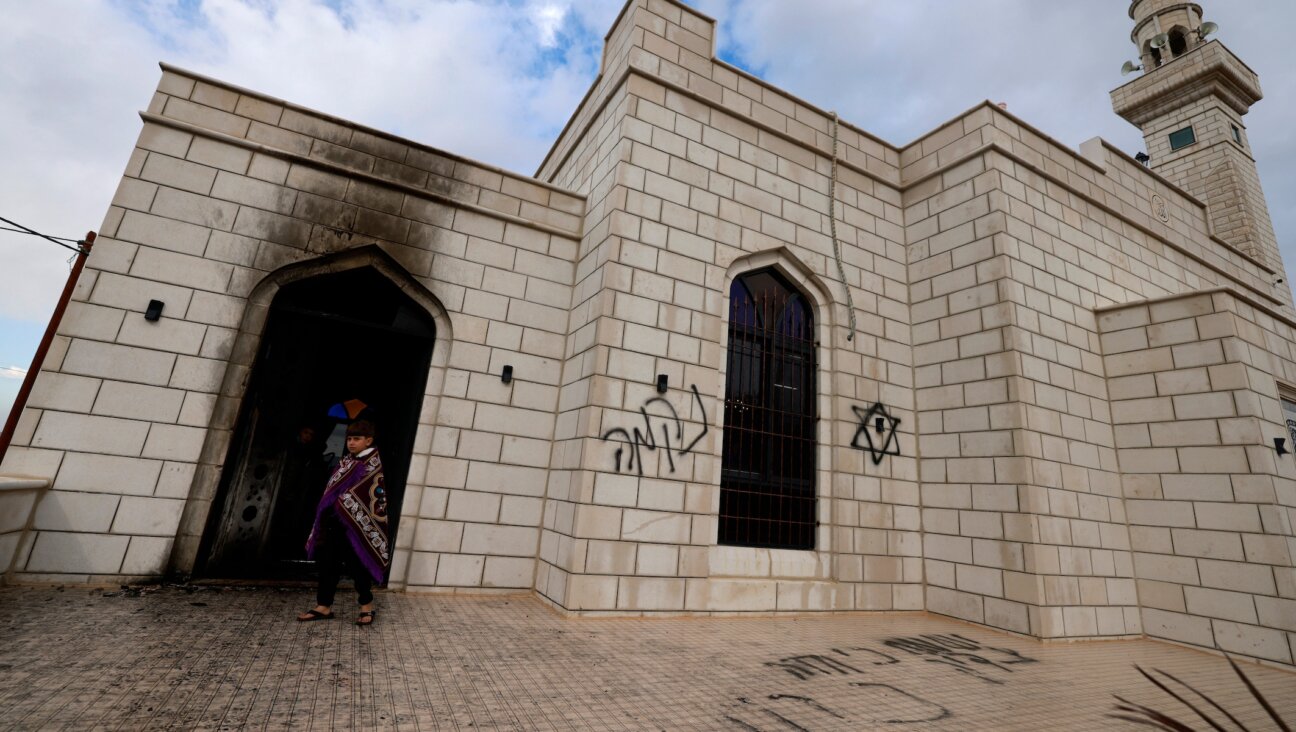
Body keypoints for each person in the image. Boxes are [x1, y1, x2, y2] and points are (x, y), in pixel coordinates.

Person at [296, 419, 390, 626]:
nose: (352, 443)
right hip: (336, 523)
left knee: (358, 566)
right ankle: (323, 605)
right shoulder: (346, 461)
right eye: (349, 439)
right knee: (328, 564)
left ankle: (367, 607)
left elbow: (368, 495)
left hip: (356, 526)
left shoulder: (371, 463)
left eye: (357, 439)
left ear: (368, 441)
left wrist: (345, 504)